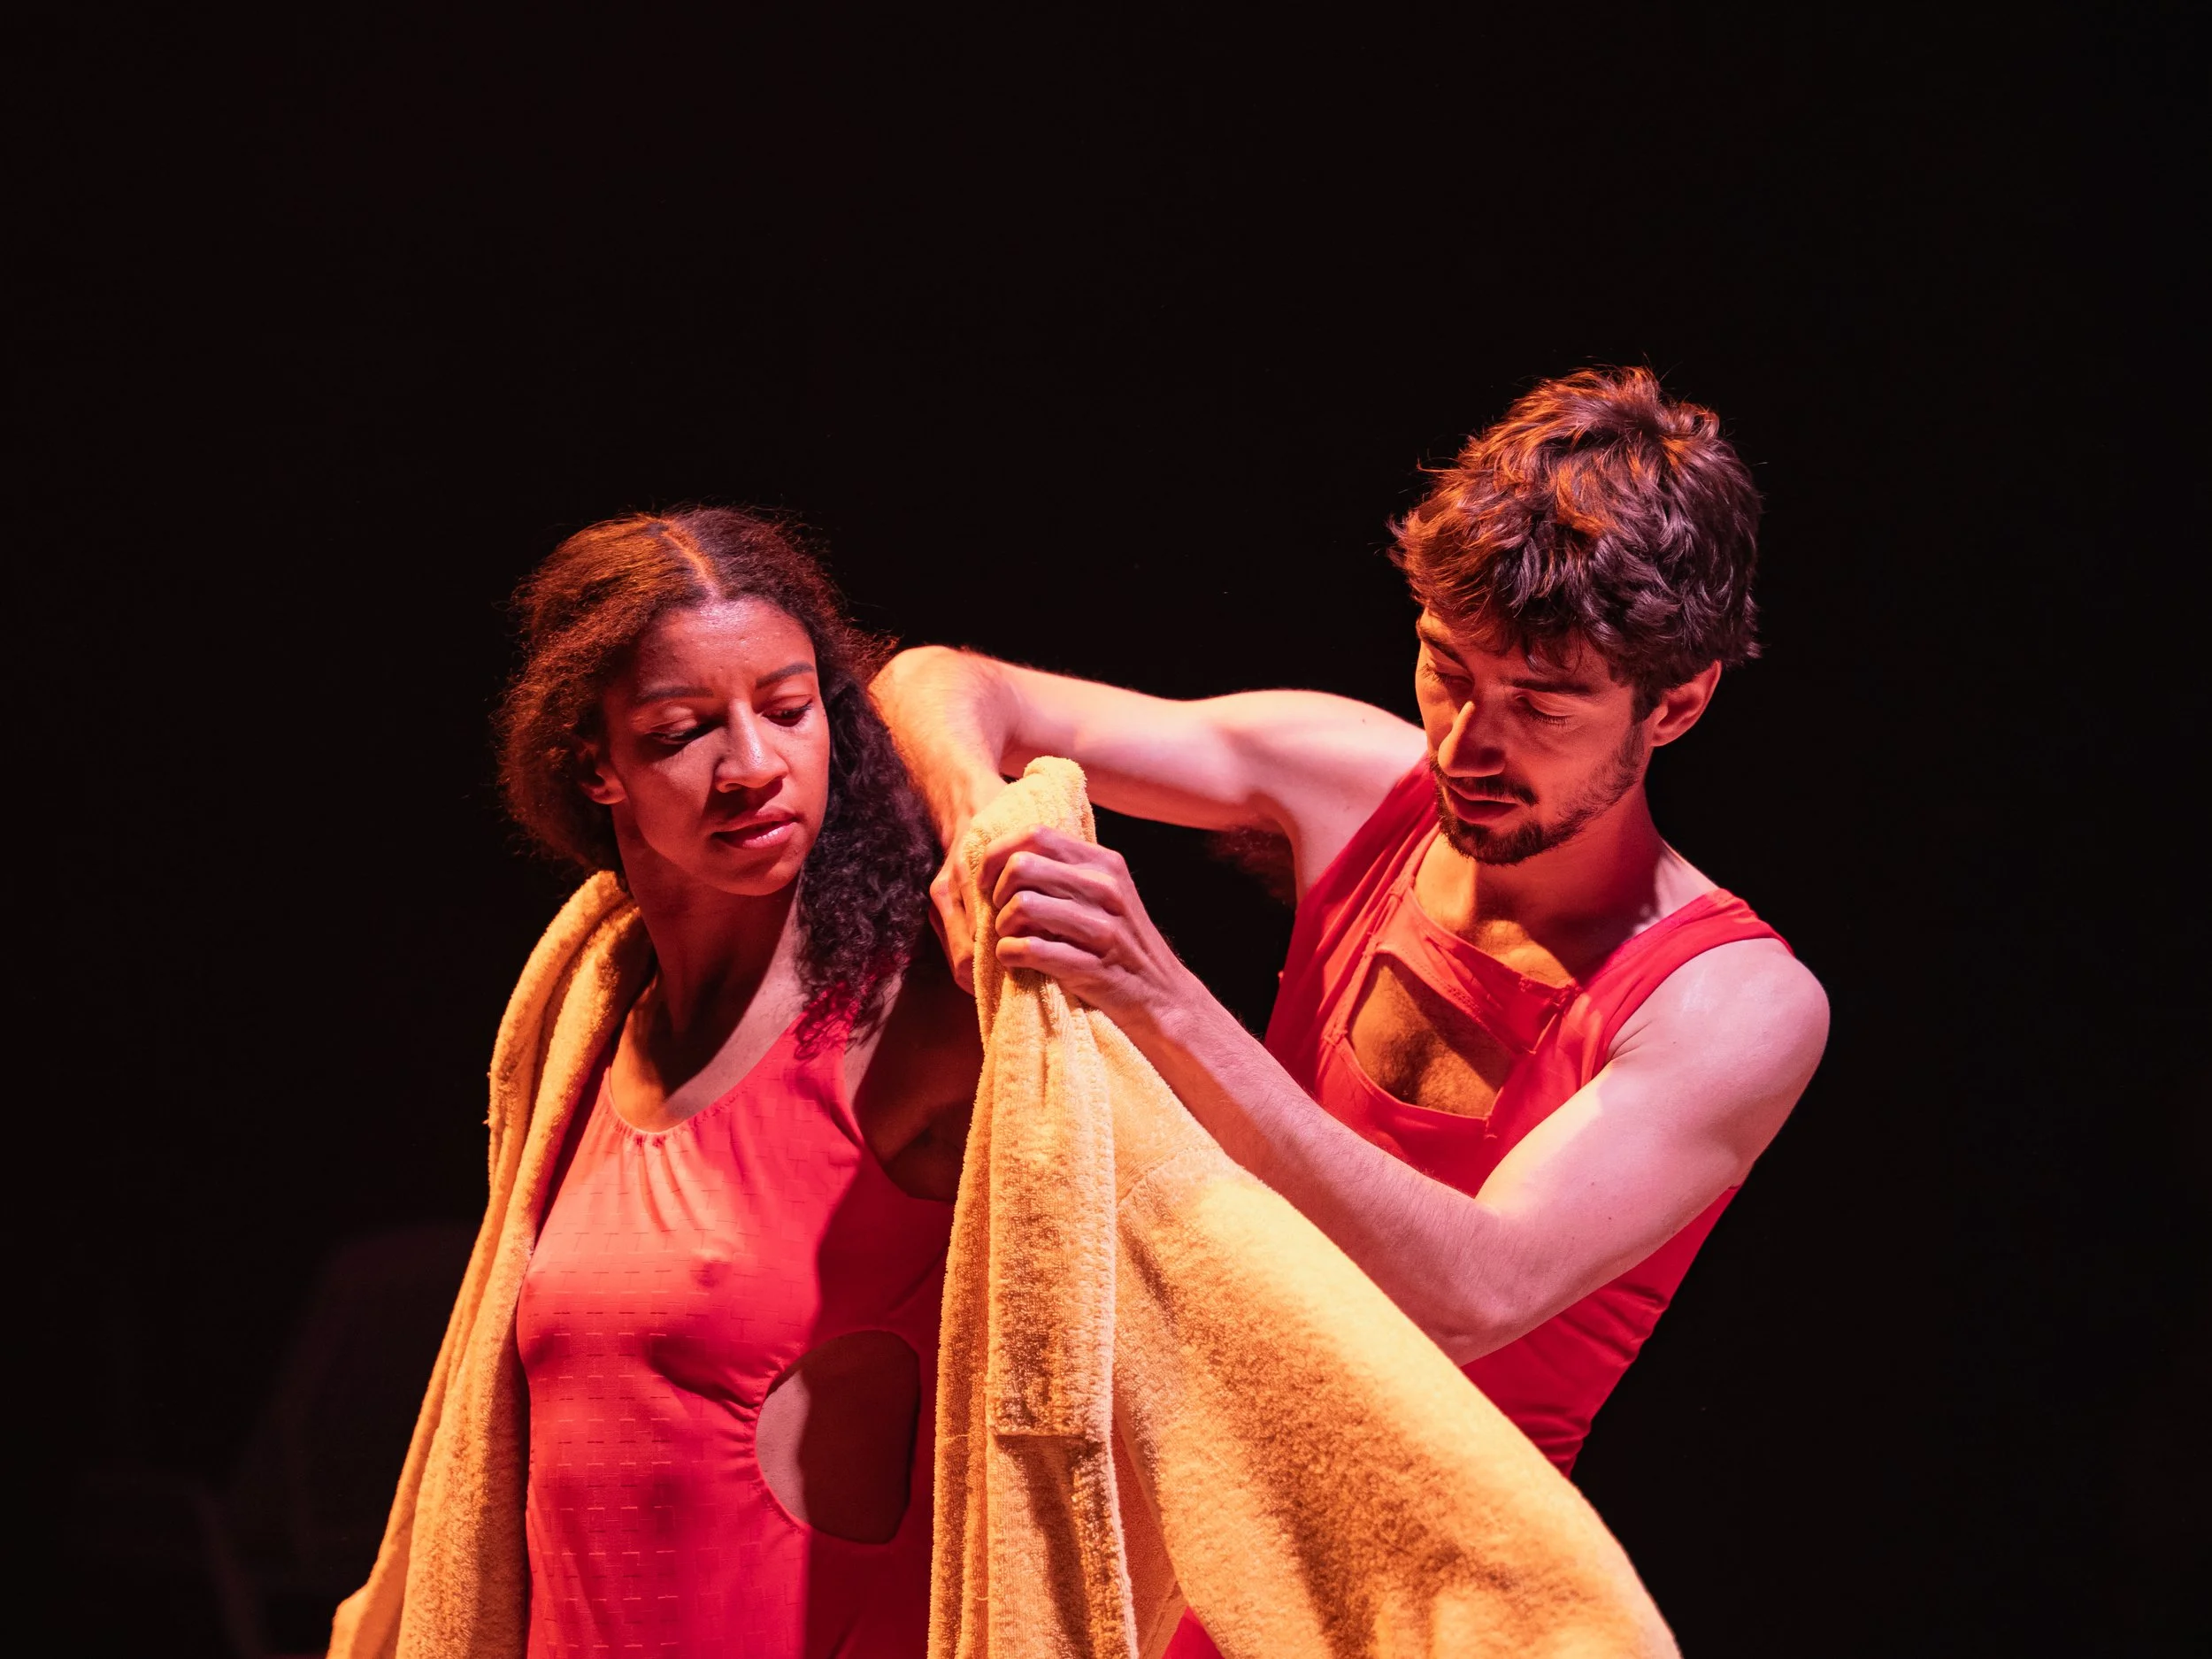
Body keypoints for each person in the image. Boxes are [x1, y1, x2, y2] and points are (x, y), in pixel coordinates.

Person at [873, 366, 1830, 1650]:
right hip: (1189, 1543)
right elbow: (939, 683)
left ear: (1677, 701)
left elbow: (1471, 1288)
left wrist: (1158, 993)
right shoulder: (1353, 778)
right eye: (1446, 671)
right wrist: (983, 827)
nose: (1463, 745)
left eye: (1540, 706)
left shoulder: (1734, 997)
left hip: (1425, 1601)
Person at [375, 507, 982, 1657]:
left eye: (792, 710)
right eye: (682, 730)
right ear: (592, 764)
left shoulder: (923, 1024)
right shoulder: (580, 1034)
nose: (754, 764)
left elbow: (1183, 1246)